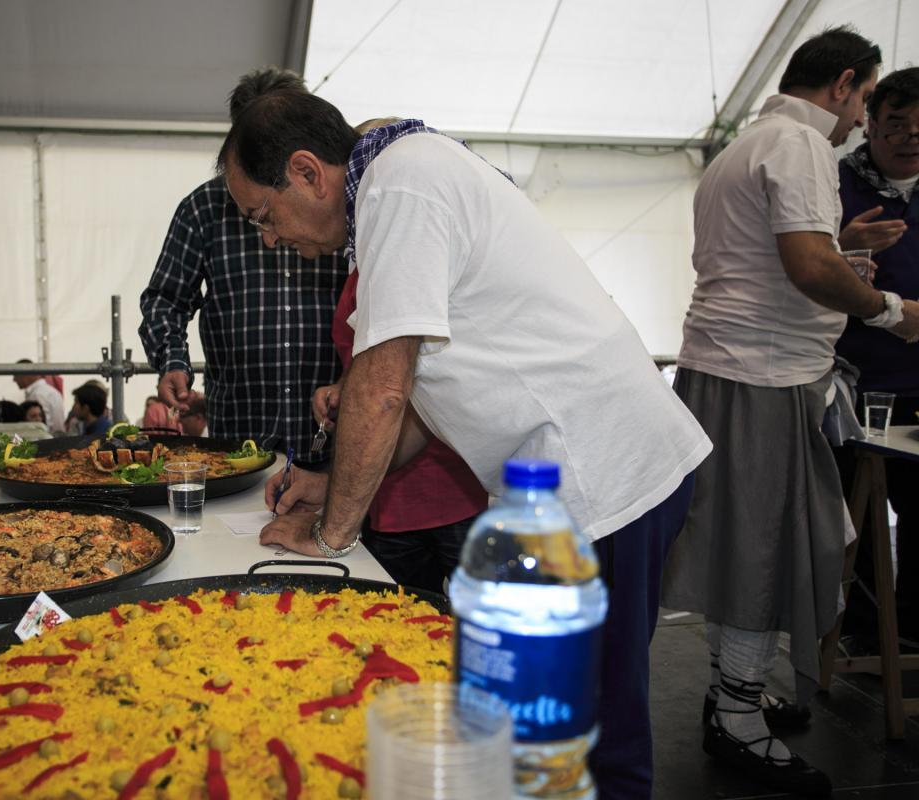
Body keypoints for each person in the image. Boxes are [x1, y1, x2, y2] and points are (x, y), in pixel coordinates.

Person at [222, 91, 710, 800]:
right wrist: (330, 486)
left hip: (602, 474)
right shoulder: (401, 178)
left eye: (264, 216)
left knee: (592, 721)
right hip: (579, 473)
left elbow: (383, 389)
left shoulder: (400, 183)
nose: (269, 239)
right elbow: (422, 409)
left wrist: (330, 537)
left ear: (307, 172)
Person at [661, 27, 919, 796]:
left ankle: (730, 694)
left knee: (745, 544)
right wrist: (893, 311)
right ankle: (737, 718)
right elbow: (805, 269)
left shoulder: (746, 144)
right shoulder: (802, 144)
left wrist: (840, 242)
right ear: (843, 85)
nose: (861, 119)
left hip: (725, 371)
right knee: (767, 551)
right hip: (763, 380)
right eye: (866, 100)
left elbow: (771, 257)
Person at [301, 117, 488, 595]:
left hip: (447, 486)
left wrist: (330, 529)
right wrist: (343, 390)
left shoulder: (411, 245)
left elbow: (397, 389)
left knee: (472, 619)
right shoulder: (362, 266)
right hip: (383, 495)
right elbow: (376, 369)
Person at [138, 67, 345, 468]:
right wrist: (173, 362)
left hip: (332, 436)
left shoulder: (339, 202)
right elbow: (165, 299)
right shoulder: (205, 208)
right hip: (241, 439)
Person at [833, 66, 919, 651]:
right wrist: (841, 246)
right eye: (897, 123)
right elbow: (797, 266)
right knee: (852, 518)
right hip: (852, 382)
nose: (911, 137)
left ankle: (910, 631)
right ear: (870, 122)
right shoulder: (834, 183)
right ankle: (861, 632)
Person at [12, 360, 65, 433]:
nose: (14, 380)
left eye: (15, 375)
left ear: (24, 374)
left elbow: (41, 428)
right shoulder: (49, 391)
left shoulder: (38, 395)